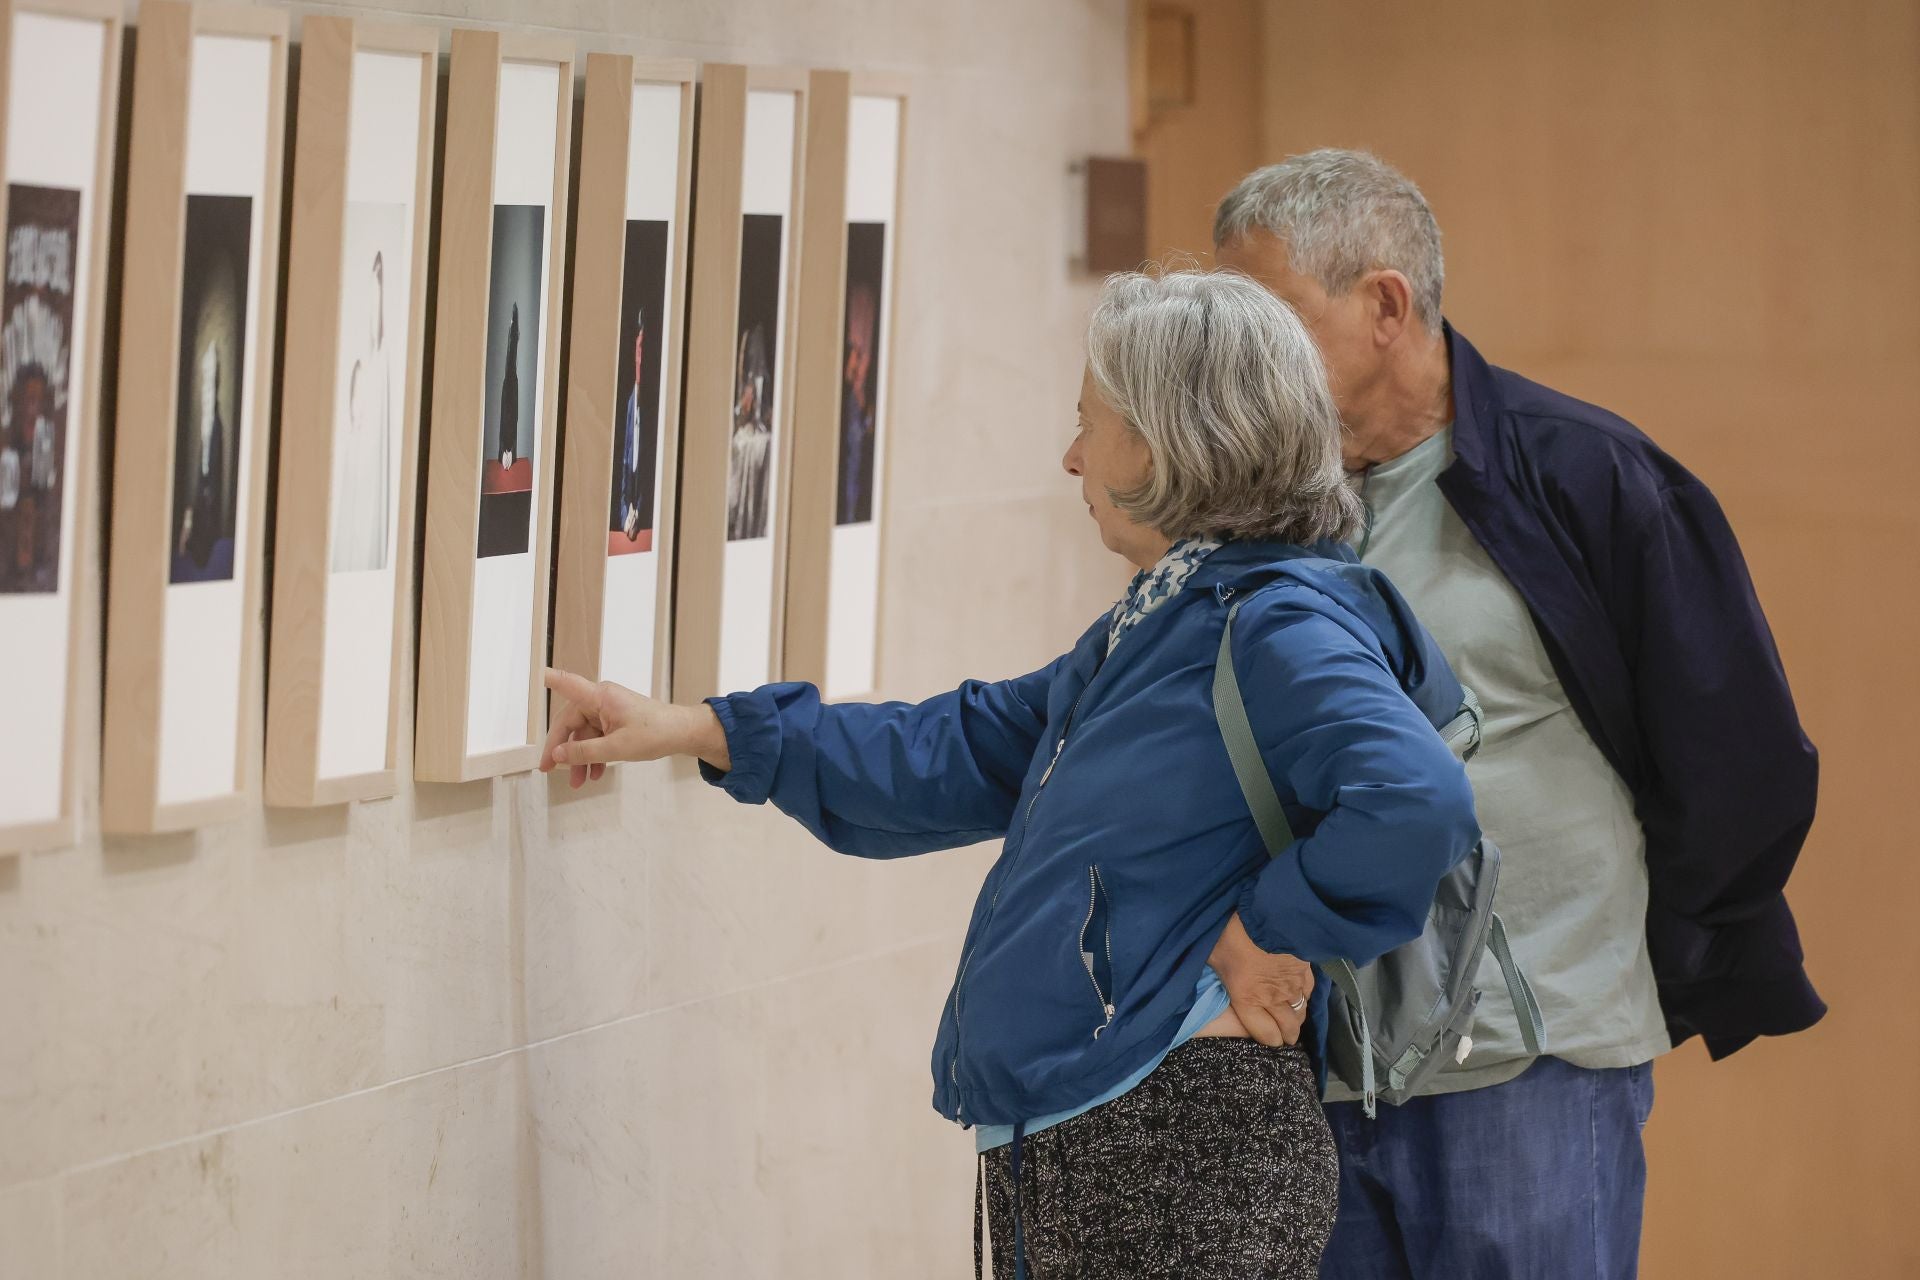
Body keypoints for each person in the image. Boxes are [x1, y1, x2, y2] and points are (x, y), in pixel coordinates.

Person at [541, 269, 1482, 1279]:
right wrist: (699, 728)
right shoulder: (1171, 615)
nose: (1073, 453)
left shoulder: (1277, 623)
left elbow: (1418, 798)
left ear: (1172, 437)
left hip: (1181, 1141)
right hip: (1113, 1131)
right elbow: (961, 745)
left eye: (1091, 421)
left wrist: (1270, 932)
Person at [1214, 149, 1824, 1278]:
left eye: (1270, 320)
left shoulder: (1589, 472)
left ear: (1385, 304)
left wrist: (1606, 944)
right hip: (1319, 1059)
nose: (1240, 362)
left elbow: (1741, 758)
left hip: (1532, 1060)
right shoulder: (1259, 518)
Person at [726, 324, 773, 540]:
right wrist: (743, 408)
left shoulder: (760, 380)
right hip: (741, 434)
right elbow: (739, 414)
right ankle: (737, 520)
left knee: (763, 447)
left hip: (754, 431)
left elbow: (762, 410)